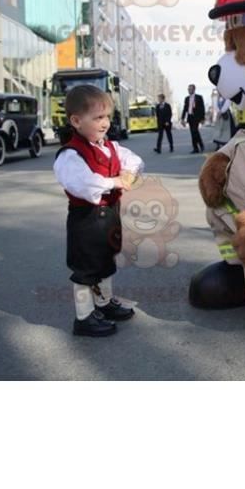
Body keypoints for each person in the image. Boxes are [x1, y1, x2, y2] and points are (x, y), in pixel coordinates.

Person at [53, 84, 145, 337]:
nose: (105, 123)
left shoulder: (110, 146)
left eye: (107, 117)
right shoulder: (71, 155)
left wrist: (128, 172)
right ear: (76, 121)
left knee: (105, 260)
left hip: (109, 215)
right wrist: (114, 182)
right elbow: (83, 184)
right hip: (86, 220)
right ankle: (84, 317)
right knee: (86, 269)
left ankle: (103, 302)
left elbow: (132, 159)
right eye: (97, 118)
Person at [181, 83, 205, 153]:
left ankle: (199, 146)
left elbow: (202, 108)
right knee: (193, 133)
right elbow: (185, 109)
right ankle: (197, 147)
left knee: (195, 131)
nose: (189, 90)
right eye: (188, 89)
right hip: (190, 117)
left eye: (190, 89)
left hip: (196, 117)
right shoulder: (186, 98)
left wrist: (202, 118)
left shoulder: (199, 97)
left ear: (194, 89)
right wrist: (182, 118)